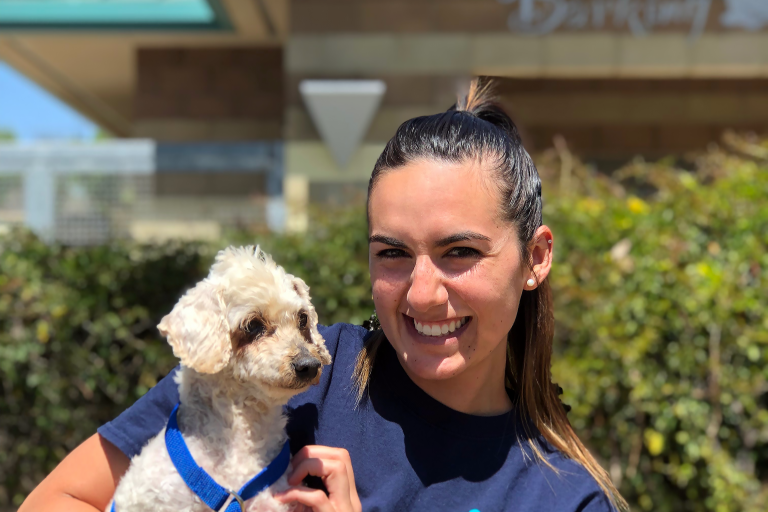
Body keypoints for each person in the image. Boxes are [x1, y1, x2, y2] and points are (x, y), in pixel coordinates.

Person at [20, 80, 627, 512]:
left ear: (536, 259)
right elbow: (59, 499)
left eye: (459, 252)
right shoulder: (300, 372)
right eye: (392, 252)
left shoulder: (561, 498)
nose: (422, 293)